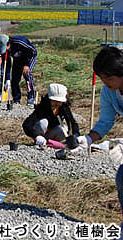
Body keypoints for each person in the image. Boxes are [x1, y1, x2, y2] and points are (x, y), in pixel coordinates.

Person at [71, 47, 123, 228]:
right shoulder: (109, 92)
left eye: (109, 78)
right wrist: (88, 140)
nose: (105, 82)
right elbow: (106, 121)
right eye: (102, 78)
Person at [3, 36, 38, 105]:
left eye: (5, 49)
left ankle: (31, 97)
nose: (5, 51)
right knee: (15, 78)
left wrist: (27, 64)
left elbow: (32, 51)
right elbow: (7, 64)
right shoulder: (4, 50)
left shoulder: (20, 42)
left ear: (8, 44)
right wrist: (7, 78)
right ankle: (16, 99)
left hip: (30, 56)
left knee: (26, 74)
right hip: (18, 58)